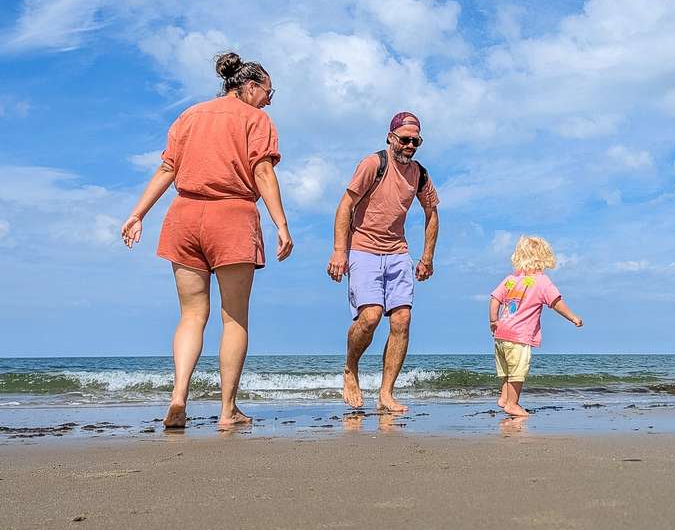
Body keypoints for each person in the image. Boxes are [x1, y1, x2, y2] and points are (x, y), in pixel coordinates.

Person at [121, 52, 293, 430]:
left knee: (191, 315)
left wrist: (137, 214)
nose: (269, 100)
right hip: (231, 215)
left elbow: (168, 167)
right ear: (249, 87)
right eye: (268, 92)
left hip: (183, 217)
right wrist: (281, 223)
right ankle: (228, 410)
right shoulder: (257, 119)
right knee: (234, 318)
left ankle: (179, 395)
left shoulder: (189, 115)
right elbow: (262, 171)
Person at [326, 112, 439, 414]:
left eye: (415, 141)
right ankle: (350, 369)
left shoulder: (420, 174)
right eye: (404, 140)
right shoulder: (373, 164)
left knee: (402, 320)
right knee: (371, 317)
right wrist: (340, 251)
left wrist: (427, 256)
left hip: (398, 252)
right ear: (391, 138)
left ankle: (386, 394)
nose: (410, 145)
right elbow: (346, 204)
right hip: (362, 248)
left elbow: (432, 213)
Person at [489, 235, 582, 418]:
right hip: (519, 336)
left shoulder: (510, 279)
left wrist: (493, 320)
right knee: (518, 371)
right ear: (543, 257)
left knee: (506, 369)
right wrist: (573, 317)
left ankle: (504, 398)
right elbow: (556, 302)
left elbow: (495, 299)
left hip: (500, 335)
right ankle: (512, 404)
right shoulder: (542, 281)